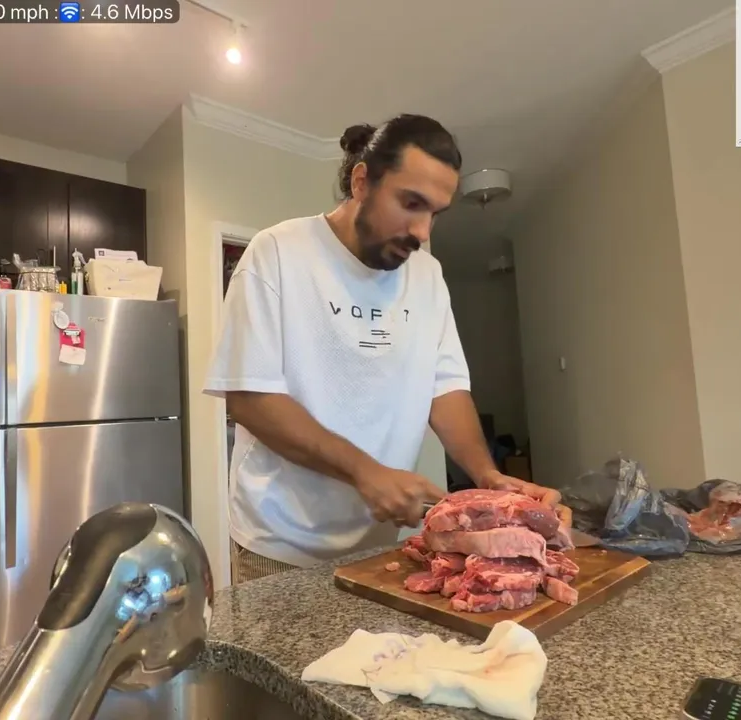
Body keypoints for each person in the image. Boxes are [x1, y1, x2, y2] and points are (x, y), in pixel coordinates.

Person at [204, 114, 561, 584]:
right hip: (279, 543)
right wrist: (365, 472)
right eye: (411, 203)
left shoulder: (427, 276)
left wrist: (486, 476)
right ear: (361, 182)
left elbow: (445, 388)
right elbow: (250, 399)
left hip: (379, 544)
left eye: (435, 213)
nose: (423, 231)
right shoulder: (276, 252)